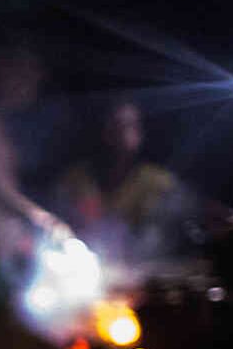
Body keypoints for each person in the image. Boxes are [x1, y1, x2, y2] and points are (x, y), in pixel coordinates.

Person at [53, 97, 196, 265]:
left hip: (139, 272)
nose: (121, 133)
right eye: (114, 125)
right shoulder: (75, 180)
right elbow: (58, 224)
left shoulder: (158, 182)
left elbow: (183, 221)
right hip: (84, 270)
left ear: (140, 133)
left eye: (129, 125)